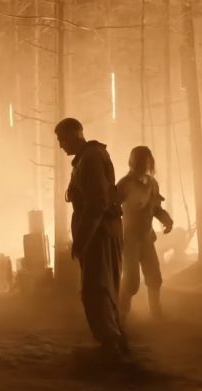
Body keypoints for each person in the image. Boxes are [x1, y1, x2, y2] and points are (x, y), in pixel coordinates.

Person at [55, 117, 130, 360]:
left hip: (99, 233)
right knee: (102, 287)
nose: (61, 145)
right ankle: (113, 341)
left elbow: (97, 203)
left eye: (63, 139)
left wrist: (83, 239)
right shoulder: (88, 157)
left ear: (76, 134)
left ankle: (111, 345)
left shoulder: (90, 159)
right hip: (101, 231)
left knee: (96, 289)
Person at [116, 146, 174, 320]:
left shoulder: (152, 184)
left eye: (148, 160)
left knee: (154, 277)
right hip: (129, 239)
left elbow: (154, 207)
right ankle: (121, 316)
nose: (146, 164)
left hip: (146, 237)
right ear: (134, 162)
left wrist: (166, 219)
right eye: (142, 160)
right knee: (131, 282)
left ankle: (156, 313)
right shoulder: (125, 184)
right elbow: (111, 207)